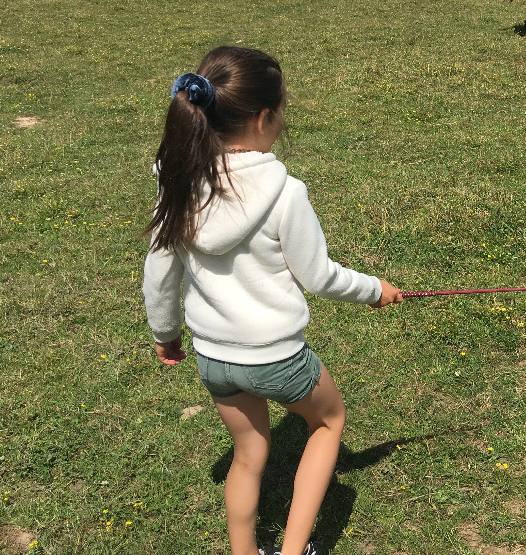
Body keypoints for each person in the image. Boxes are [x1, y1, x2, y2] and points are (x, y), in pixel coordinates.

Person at [142, 46, 403, 555]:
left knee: (248, 453)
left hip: (214, 358)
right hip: (276, 357)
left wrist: (164, 333)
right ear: (263, 118)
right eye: (282, 109)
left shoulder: (177, 179)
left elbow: (159, 267)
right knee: (329, 422)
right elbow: (321, 277)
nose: (284, 119)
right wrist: (376, 290)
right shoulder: (286, 193)